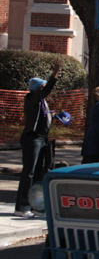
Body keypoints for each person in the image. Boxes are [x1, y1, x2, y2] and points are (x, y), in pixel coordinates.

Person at [15, 59, 61, 218]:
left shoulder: (40, 102)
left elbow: (41, 115)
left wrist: (52, 115)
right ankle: (22, 206)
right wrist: (54, 74)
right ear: (36, 89)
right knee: (28, 172)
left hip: (42, 139)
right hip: (32, 138)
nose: (44, 91)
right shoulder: (32, 97)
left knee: (38, 173)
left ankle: (35, 205)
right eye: (41, 87)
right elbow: (47, 91)